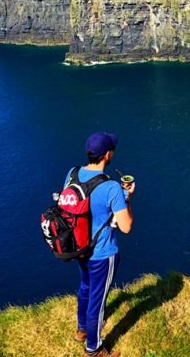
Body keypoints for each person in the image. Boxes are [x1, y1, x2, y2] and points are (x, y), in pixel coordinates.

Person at [65, 132, 135, 357]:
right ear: (107, 155)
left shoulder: (72, 174)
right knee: (98, 299)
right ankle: (94, 349)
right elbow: (126, 227)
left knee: (85, 287)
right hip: (103, 253)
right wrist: (127, 198)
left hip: (79, 248)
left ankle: (82, 330)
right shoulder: (112, 187)